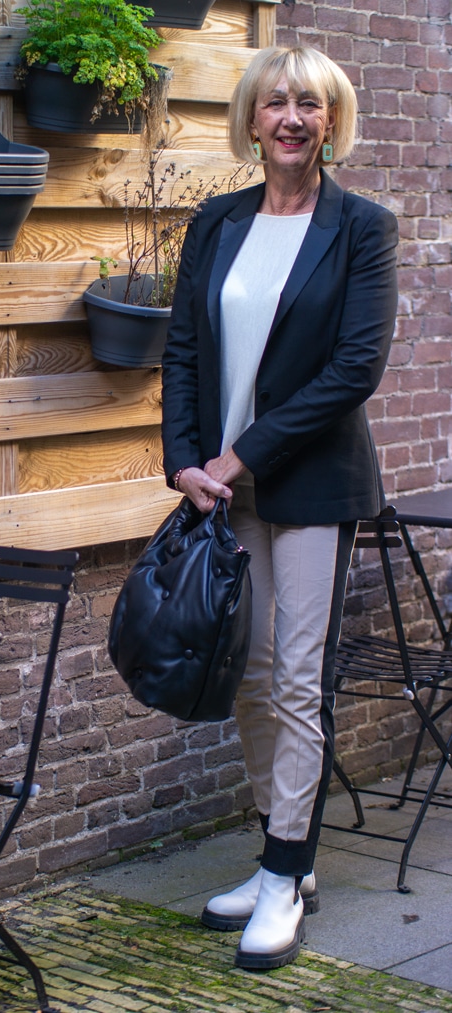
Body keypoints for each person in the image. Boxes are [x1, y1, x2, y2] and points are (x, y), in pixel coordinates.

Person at [161, 45, 399, 971]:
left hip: (306, 484)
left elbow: (353, 369)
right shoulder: (216, 223)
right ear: (251, 120)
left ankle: (280, 872)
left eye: (310, 104)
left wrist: (239, 452)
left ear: (329, 121)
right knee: (251, 678)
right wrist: (186, 459)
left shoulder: (361, 228)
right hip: (222, 489)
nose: (291, 118)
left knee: (297, 680)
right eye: (275, 103)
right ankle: (282, 858)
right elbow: (181, 349)